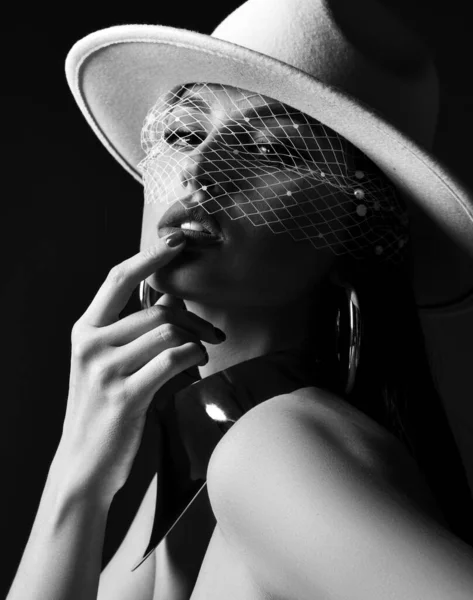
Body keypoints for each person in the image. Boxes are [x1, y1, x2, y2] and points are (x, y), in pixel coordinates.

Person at [7, 1, 473, 599]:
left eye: (274, 151)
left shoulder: (274, 448)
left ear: (362, 237)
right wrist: (78, 473)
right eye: (182, 132)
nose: (202, 169)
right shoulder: (196, 475)